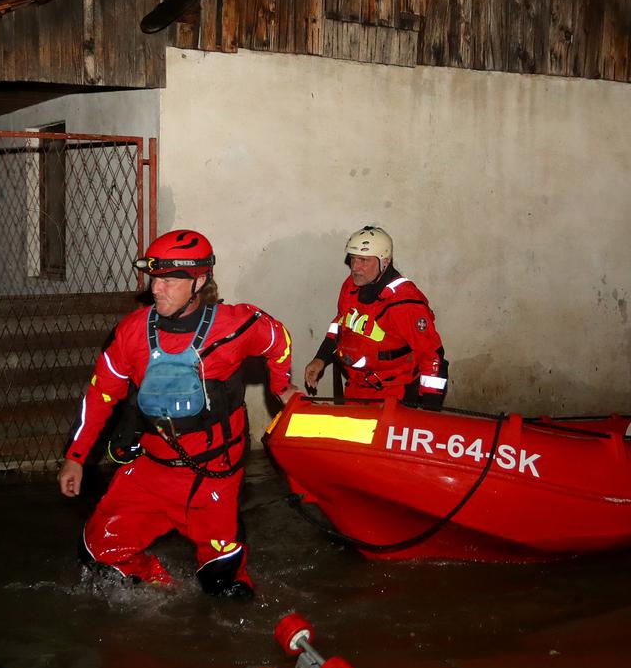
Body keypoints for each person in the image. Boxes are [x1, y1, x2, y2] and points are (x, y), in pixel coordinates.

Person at [57, 229, 302, 597]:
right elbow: (100, 395)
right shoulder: (131, 333)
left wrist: (280, 386)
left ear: (200, 281)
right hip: (153, 468)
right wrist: (75, 457)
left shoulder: (236, 325)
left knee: (224, 587)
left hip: (213, 472)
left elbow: (278, 340)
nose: (157, 288)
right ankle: (162, 593)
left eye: (171, 280)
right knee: (98, 556)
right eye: (155, 278)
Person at [302, 226, 449, 408]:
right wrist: (321, 358)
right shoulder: (351, 286)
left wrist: (429, 410)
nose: (355, 267)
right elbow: (340, 325)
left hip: (393, 394)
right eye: (353, 259)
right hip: (356, 389)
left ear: (384, 262)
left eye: (363, 260)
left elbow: (432, 356)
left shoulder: (405, 302)